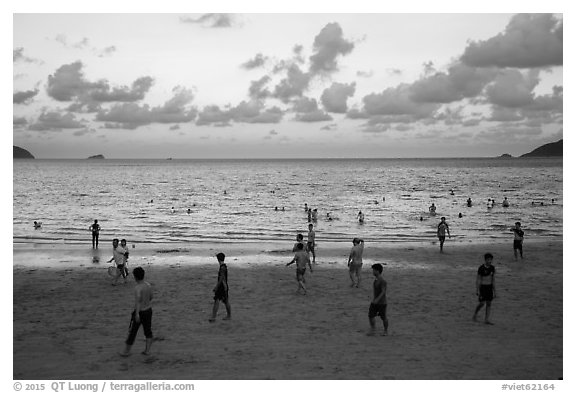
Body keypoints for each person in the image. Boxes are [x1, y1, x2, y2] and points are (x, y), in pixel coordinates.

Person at [119, 267, 153, 357]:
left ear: (135, 277)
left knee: (133, 331)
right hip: (149, 310)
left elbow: (138, 301)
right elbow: (151, 297)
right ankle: (147, 350)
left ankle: (126, 351)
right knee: (148, 331)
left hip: (140, 312)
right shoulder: (148, 285)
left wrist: (137, 314)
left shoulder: (138, 288)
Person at [473, 253, 496, 325]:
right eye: (488, 260)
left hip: (489, 287)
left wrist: (495, 291)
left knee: (489, 303)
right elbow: (478, 279)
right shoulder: (481, 268)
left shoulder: (492, 268)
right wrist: (477, 290)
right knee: (482, 303)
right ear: (485, 260)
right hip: (483, 287)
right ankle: (475, 314)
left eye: (491, 260)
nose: (490, 261)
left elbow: (493, 280)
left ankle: (486, 319)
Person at [209, 252, 231, 322]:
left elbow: (221, 278)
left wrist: (216, 287)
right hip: (224, 286)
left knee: (218, 300)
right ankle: (227, 316)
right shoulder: (224, 266)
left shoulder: (222, 267)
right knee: (224, 301)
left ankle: (214, 317)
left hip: (222, 286)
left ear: (218, 259)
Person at [367, 263, 388, 336]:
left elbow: (383, 292)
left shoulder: (382, 281)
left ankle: (385, 331)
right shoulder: (376, 280)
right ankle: (373, 329)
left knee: (383, 317)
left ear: (378, 271)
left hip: (382, 303)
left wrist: (377, 300)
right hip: (375, 302)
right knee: (370, 315)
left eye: (374, 270)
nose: (373, 272)